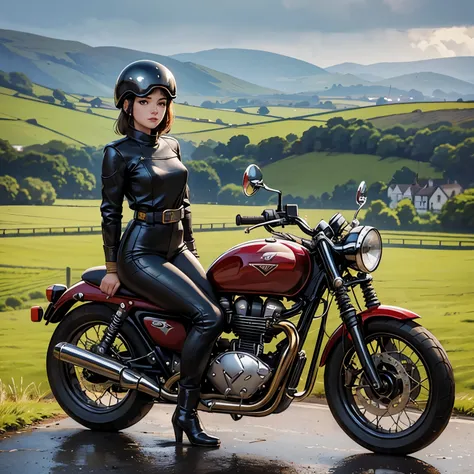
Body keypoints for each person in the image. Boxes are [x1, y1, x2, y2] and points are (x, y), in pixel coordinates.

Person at [99, 59, 223, 447]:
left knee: (224, 311)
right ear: (127, 105)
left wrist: (193, 252)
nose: (155, 108)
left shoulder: (171, 145)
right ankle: (185, 414)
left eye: (162, 101)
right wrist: (112, 268)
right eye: (146, 100)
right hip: (140, 253)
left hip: (177, 247)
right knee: (208, 317)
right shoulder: (117, 153)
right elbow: (110, 212)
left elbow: (184, 206)